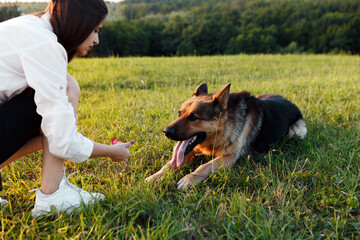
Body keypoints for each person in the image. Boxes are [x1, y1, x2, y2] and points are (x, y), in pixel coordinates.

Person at [0, 0, 133, 217]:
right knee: (67, 88)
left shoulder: (30, 26)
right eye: (95, 30)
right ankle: (53, 196)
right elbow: (62, 138)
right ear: (78, 23)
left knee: (49, 114)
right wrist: (110, 152)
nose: (97, 40)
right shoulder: (45, 45)